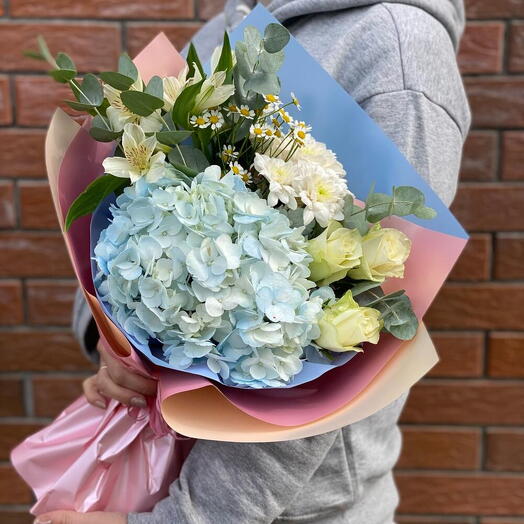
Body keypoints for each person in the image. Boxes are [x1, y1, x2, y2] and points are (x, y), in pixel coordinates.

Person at [35, 0, 470, 522]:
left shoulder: (397, 58)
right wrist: (117, 349)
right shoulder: (236, 22)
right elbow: (122, 203)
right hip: (159, 460)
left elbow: (350, 352)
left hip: (291, 511)